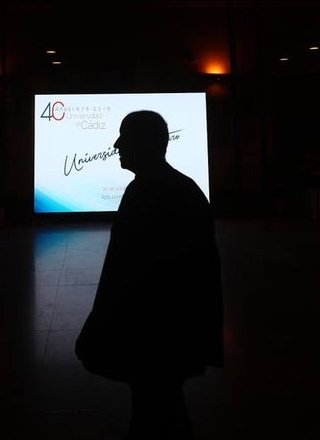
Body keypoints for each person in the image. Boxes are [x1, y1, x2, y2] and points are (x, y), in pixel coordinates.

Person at [76, 111, 223, 440]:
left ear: (144, 143)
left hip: (154, 334)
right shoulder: (181, 189)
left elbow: (127, 273)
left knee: (154, 409)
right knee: (162, 407)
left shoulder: (145, 193)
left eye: (124, 137)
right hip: (170, 334)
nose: (116, 145)